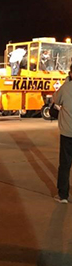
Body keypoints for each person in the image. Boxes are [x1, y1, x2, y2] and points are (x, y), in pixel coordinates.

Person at [53, 64, 72, 204]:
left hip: (67, 132)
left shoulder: (66, 88)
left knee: (65, 164)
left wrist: (66, 82)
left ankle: (63, 195)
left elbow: (56, 99)